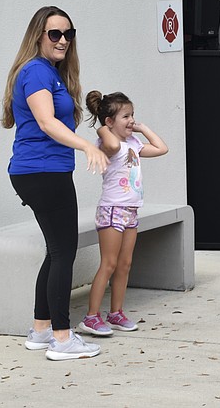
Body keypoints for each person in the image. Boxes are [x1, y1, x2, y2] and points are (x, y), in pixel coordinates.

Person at [2, 6, 109, 361]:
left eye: (68, 34)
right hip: (42, 172)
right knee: (64, 252)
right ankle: (62, 339)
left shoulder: (49, 71)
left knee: (56, 250)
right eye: (54, 34)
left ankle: (41, 329)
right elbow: (47, 122)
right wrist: (83, 147)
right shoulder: (35, 71)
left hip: (42, 171)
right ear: (38, 37)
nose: (63, 40)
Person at [77, 91, 168, 337]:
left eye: (133, 115)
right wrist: (100, 128)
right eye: (125, 116)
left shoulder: (134, 145)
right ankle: (91, 317)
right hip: (112, 210)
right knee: (109, 264)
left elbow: (162, 148)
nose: (131, 120)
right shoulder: (107, 143)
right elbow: (113, 143)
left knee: (125, 264)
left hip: (130, 211)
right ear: (109, 121)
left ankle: (115, 313)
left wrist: (141, 127)